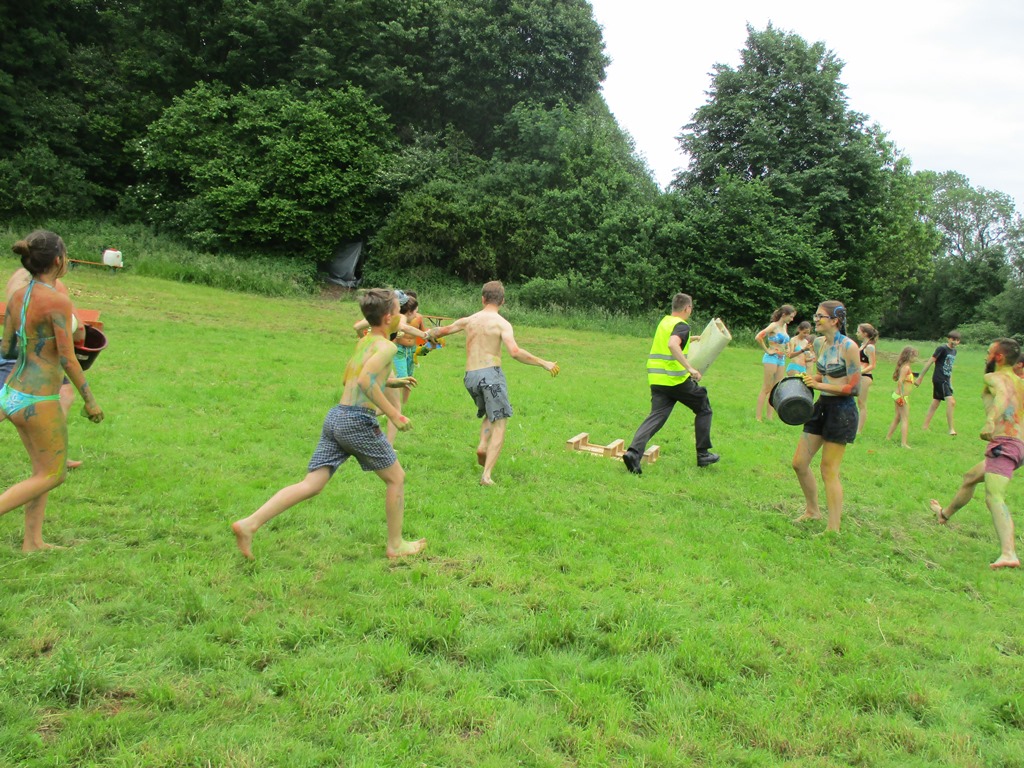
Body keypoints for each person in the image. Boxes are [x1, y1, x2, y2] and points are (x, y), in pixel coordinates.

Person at [232, 288, 426, 560]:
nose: (403, 317)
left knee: (312, 484)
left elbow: (352, 377)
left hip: (336, 417)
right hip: (358, 422)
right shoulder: (388, 346)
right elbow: (365, 380)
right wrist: (395, 414)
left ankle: (248, 524)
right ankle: (396, 545)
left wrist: (392, 381)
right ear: (388, 318)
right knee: (397, 478)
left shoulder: (365, 341)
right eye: (399, 312)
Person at [0, 231, 103, 551]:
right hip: (39, 397)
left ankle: (33, 541)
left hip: (12, 391)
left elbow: (7, 347)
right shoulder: (57, 300)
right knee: (54, 474)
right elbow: (68, 358)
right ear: (58, 260)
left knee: (41, 470)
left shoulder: (18, 295)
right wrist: (90, 401)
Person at [426, 280, 559, 486]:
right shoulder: (501, 323)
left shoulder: (469, 320)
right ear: (502, 301)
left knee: (491, 412)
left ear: (483, 299)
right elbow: (514, 352)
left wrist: (427, 334)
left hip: (470, 377)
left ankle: (482, 445)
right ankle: (486, 476)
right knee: (500, 422)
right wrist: (544, 362)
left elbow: (441, 331)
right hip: (491, 376)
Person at [929, 338, 1024, 569]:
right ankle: (944, 515)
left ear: (998, 357)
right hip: (1018, 445)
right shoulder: (1020, 381)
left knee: (994, 496)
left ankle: (1009, 553)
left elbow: (1002, 396)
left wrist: (991, 420)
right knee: (970, 477)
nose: (985, 356)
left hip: (1004, 444)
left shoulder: (995, 377)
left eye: (989, 352)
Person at [621, 292, 718, 474]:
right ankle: (703, 454)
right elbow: (673, 344)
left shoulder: (665, 322)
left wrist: (690, 339)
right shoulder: (682, 325)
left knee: (656, 416)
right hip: (675, 380)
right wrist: (690, 368)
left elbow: (672, 340)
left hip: (657, 379)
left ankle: (633, 453)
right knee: (703, 406)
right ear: (687, 308)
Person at [2, 267, 87, 468]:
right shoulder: (55, 287)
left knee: (62, 395)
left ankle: (52, 457)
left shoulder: (17, 278)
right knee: (13, 405)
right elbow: (79, 331)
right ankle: (51, 458)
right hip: (37, 359)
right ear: (56, 260)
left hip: (16, 350)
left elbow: (7, 344)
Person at [792, 301, 861, 532]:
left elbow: (854, 388)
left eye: (820, 316)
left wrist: (821, 385)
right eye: (816, 315)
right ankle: (812, 511)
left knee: (828, 470)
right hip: (822, 406)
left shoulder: (849, 347)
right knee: (799, 463)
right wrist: (807, 380)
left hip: (842, 412)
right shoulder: (820, 343)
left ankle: (833, 529)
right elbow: (823, 376)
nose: (816, 320)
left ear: (835, 320)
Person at [353, 289, 429, 445]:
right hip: (382, 358)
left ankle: (359, 417)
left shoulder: (379, 317)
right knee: (395, 406)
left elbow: (357, 327)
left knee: (388, 403)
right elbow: (405, 327)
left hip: (373, 357)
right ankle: (388, 444)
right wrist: (426, 335)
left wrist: (366, 341)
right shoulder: (396, 318)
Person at [755, 304, 796, 421]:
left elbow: (786, 341)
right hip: (771, 358)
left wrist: (788, 349)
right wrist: (767, 350)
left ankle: (769, 417)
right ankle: (758, 417)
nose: (792, 319)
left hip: (781, 359)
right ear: (784, 315)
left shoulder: (784, 327)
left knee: (775, 389)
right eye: (791, 316)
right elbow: (758, 337)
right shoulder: (774, 326)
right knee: (766, 387)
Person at [916, 331, 961, 435]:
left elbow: (950, 368)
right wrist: (920, 377)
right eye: (953, 339)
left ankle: (924, 426)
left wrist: (950, 383)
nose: (955, 342)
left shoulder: (954, 351)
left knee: (936, 402)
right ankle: (951, 429)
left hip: (946, 380)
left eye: (957, 340)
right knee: (951, 402)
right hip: (940, 379)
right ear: (948, 339)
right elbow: (930, 361)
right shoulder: (942, 348)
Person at [885, 346, 918, 449]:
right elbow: (900, 381)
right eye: (915, 356)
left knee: (898, 417)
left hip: (899, 395)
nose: (916, 358)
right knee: (904, 419)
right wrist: (902, 396)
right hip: (901, 396)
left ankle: (888, 437)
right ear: (910, 356)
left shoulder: (906, 367)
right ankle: (904, 443)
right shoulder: (906, 368)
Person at [856, 323, 878, 434]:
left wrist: (860, 372)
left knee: (861, 403)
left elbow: (872, 365)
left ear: (865, 333)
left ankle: (859, 430)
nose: (857, 334)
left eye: (858, 332)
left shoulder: (870, 347)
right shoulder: (862, 345)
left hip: (865, 377)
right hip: (858, 376)